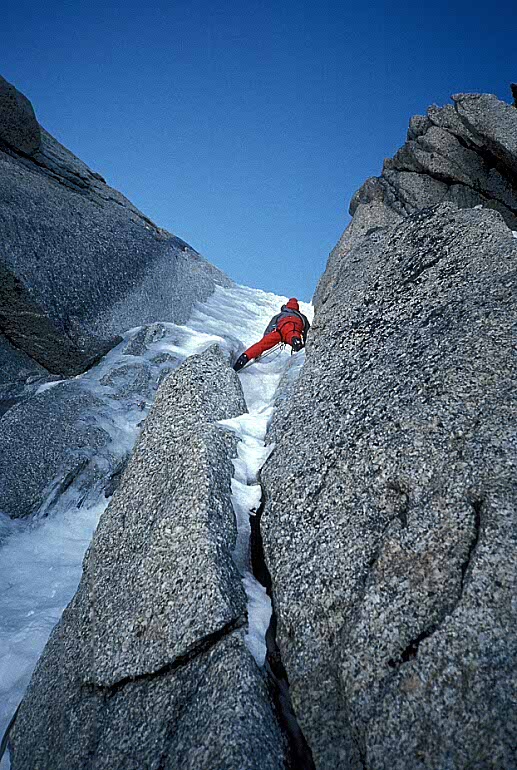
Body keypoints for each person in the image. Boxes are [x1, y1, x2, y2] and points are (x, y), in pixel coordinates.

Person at [233, 298, 310, 371]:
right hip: (296, 328)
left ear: (287, 305)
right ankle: (296, 342)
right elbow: (308, 331)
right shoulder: (302, 317)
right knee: (293, 335)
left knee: (261, 345)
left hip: (280, 331)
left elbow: (269, 329)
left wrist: (264, 340)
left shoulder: (280, 315)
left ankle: (244, 357)